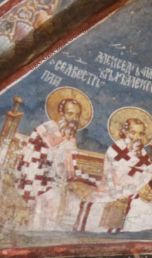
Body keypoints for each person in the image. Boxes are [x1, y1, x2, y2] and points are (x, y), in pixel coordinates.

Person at [14, 88, 99, 231]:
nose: (74, 119)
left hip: (53, 183)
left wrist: (94, 182)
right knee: (50, 200)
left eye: (77, 115)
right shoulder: (47, 129)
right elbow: (32, 158)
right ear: (61, 114)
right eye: (70, 114)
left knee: (76, 203)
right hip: (33, 179)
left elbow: (71, 171)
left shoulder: (70, 139)